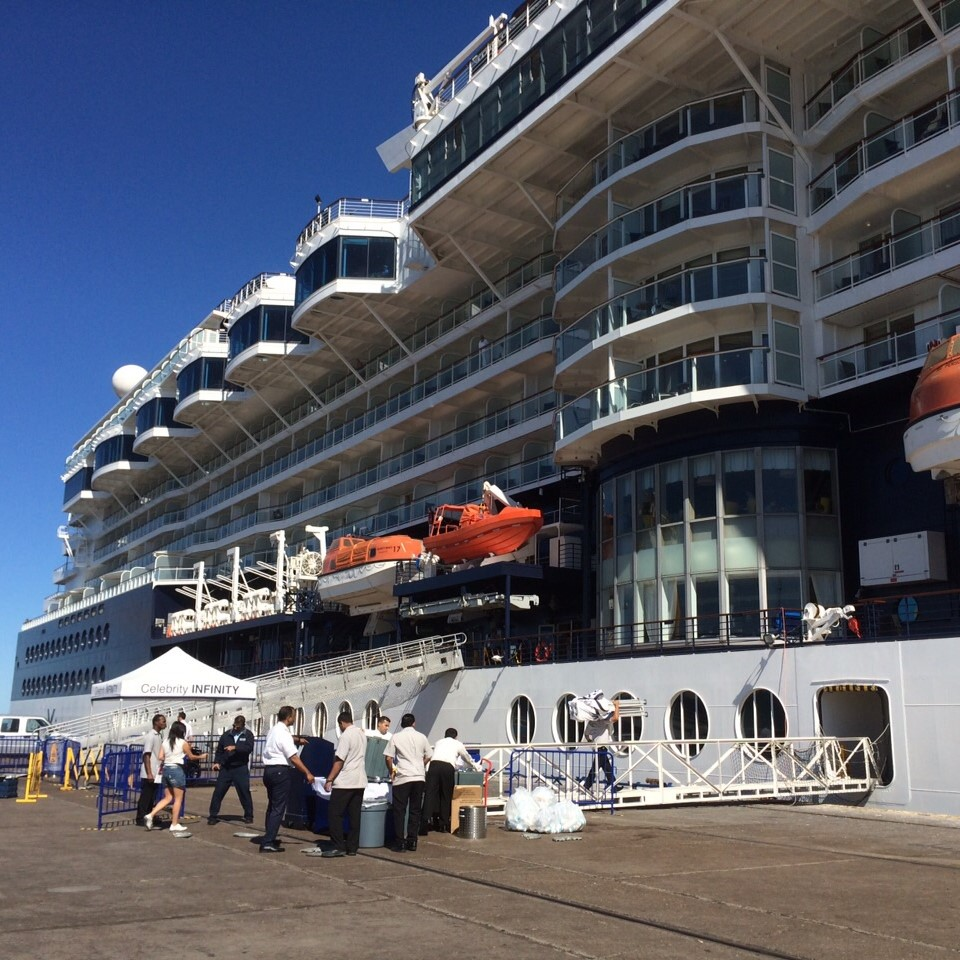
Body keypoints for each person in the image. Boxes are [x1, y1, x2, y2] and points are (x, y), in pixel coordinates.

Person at [260, 705, 314, 853]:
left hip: (269, 770)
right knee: (278, 808)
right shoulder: (283, 733)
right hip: (280, 772)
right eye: (294, 716)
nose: (294, 718)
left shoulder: (274, 730)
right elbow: (293, 757)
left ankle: (269, 835)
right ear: (289, 717)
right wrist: (307, 772)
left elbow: (285, 740)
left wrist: (297, 739)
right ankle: (268, 842)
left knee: (272, 807)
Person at [144, 720, 207, 833]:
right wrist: (202, 756)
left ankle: (151, 814)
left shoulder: (165, 742)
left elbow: (160, 756)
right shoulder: (183, 742)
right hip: (177, 770)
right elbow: (191, 757)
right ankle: (174, 824)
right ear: (181, 731)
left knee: (168, 798)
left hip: (166, 770)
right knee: (178, 799)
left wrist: (169, 758)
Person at [321, 712, 368, 858]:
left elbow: (339, 760)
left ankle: (338, 845)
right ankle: (352, 847)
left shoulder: (346, 736)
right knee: (355, 815)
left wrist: (330, 779)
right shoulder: (361, 734)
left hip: (345, 781)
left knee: (335, 814)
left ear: (341, 723)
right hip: (359, 779)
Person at [384, 713, 431, 852]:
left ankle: (400, 842)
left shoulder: (396, 737)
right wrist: (420, 764)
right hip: (418, 776)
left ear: (402, 724)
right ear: (414, 723)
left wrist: (392, 770)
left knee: (399, 810)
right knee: (415, 810)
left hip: (403, 776)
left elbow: (388, 758)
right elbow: (429, 755)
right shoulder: (422, 737)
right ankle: (412, 841)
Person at [422, 727, 483, 834]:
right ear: (455, 736)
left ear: (445, 735)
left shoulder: (438, 742)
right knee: (446, 795)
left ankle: (424, 823)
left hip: (434, 766)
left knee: (430, 794)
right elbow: (466, 757)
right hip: (447, 767)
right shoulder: (458, 744)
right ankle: (443, 824)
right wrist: (475, 766)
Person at [207, 714, 255, 825]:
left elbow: (249, 748)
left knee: (244, 792)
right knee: (218, 792)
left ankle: (248, 815)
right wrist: (217, 762)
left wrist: (235, 747)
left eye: (238, 727)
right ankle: (213, 815)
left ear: (243, 725)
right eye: (234, 725)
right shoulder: (226, 735)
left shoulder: (248, 735)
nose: (235, 728)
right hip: (226, 768)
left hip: (240, 768)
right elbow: (219, 751)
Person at [581, 699, 620, 791]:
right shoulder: (603, 720)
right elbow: (616, 718)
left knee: (606, 767)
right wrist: (617, 706)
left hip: (597, 747)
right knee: (596, 768)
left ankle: (613, 785)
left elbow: (586, 734)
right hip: (602, 747)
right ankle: (587, 785)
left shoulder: (591, 721)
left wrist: (591, 741)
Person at [136, 713, 166, 826]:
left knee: (152, 797)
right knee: (146, 796)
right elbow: (146, 755)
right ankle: (140, 818)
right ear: (156, 722)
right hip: (149, 772)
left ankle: (149, 815)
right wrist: (149, 773)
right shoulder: (150, 736)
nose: (164, 723)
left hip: (156, 770)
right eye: (163, 721)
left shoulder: (158, 735)